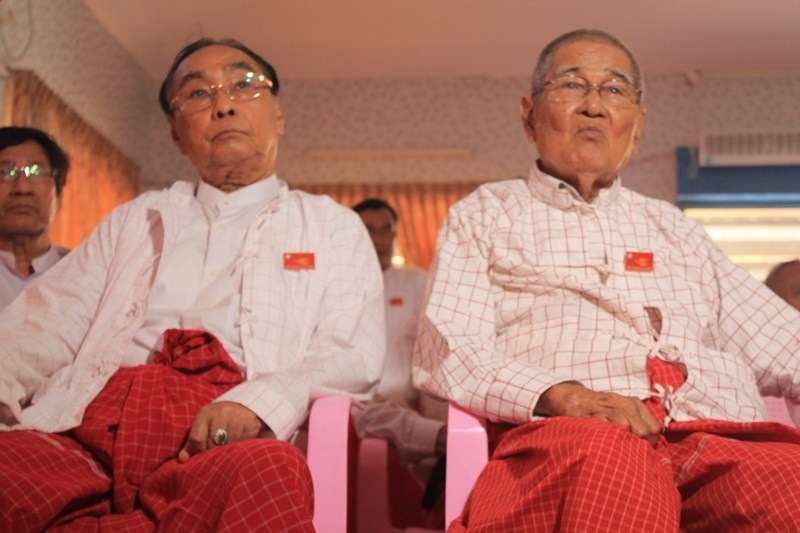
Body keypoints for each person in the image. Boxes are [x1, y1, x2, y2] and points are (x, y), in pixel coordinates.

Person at [414, 28, 800, 532]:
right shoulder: (485, 215)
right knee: (614, 475)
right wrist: (562, 395)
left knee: (790, 481)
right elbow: (448, 348)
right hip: (582, 437)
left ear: (636, 126)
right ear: (529, 115)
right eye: (571, 85)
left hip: (717, 438)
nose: (594, 106)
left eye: (614, 90)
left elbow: (784, 342)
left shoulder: (675, 229)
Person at [0, 38, 385, 531]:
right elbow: (45, 324)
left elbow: (352, 352)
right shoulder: (138, 218)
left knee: (270, 471)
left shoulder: (330, 225)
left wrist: (260, 402)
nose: (223, 105)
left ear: (279, 115)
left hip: (221, 436)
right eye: (198, 94)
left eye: (243, 84)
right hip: (89, 427)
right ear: (177, 135)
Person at [352, 198, 446, 528]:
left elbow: (436, 343)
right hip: (359, 401)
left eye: (386, 230)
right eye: (369, 231)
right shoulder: (339, 285)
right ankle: (441, 439)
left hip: (411, 399)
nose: (379, 239)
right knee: (366, 412)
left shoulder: (416, 282)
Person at [0, 126, 70, 310]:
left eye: (37, 172)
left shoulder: (84, 273)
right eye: (5, 172)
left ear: (59, 197)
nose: (22, 188)